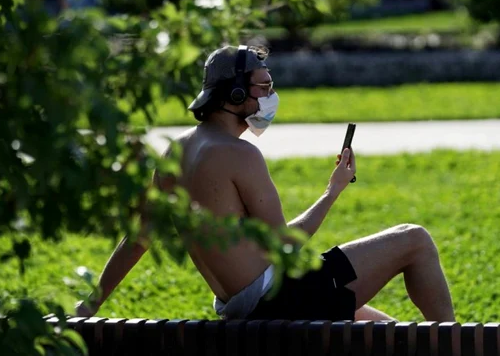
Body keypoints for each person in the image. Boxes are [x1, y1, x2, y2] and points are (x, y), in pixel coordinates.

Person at [75, 44, 456, 322]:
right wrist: (332, 191)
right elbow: (286, 248)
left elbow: (138, 237)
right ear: (236, 94)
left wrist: (88, 305)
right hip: (283, 299)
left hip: (242, 305)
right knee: (415, 239)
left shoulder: (175, 151)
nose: (272, 97)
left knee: (382, 328)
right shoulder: (240, 154)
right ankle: (456, 345)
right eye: (264, 87)